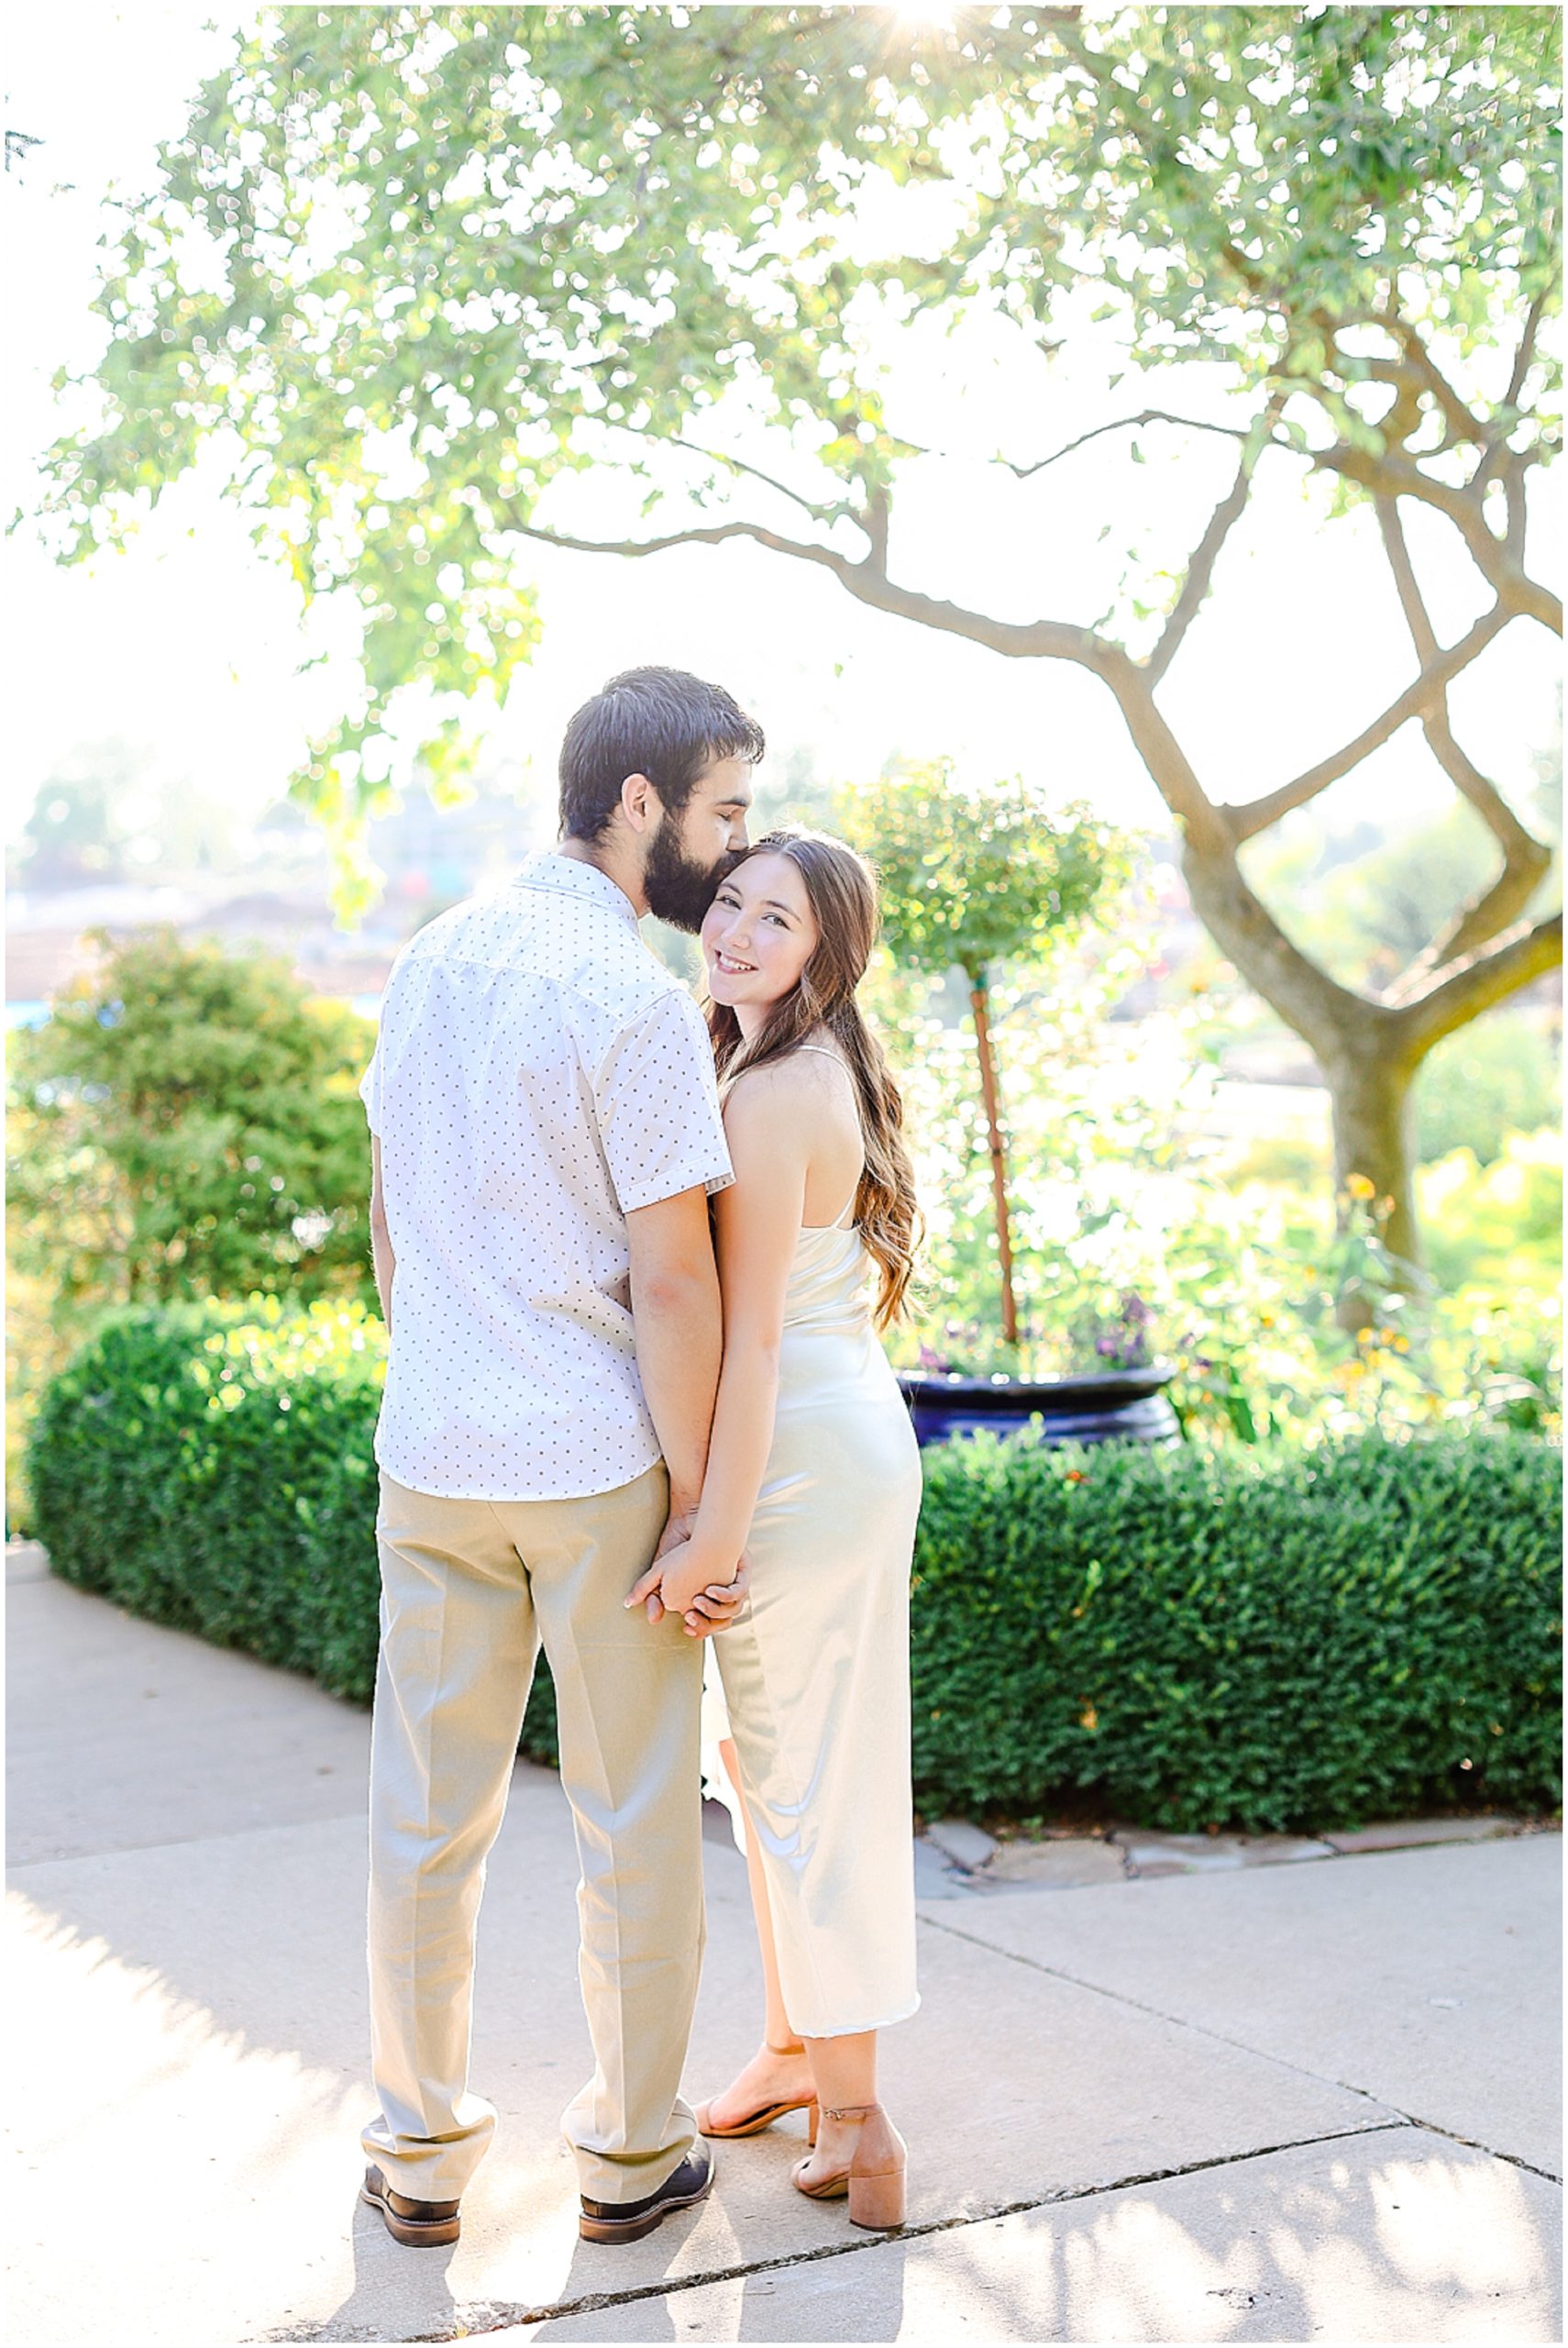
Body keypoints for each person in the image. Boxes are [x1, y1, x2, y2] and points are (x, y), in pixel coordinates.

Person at [358, 665, 763, 2251]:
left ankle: (419, 2159)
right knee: (634, 1821)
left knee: (421, 1820)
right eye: (722, 812)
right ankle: (628, 2159)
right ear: (641, 803)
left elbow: (395, 1219)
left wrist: (441, 1369)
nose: (735, 855)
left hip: (436, 1452)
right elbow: (674, 1279)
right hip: (594, 1465)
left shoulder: (431, 955)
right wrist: (694, 1502)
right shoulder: (635, 1001)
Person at [628, 828, 923, 2232]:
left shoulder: (768, 1095)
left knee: (812, 1789)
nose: (738, 933)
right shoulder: (799, 1065)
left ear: (826, 952)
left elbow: (740, 1353)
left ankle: (860, 2124)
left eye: (777, 921)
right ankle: (794, 2051)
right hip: (834, 1432)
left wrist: (707, 1531)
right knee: (765, 1771)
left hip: (793, 1458)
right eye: (732, 905)